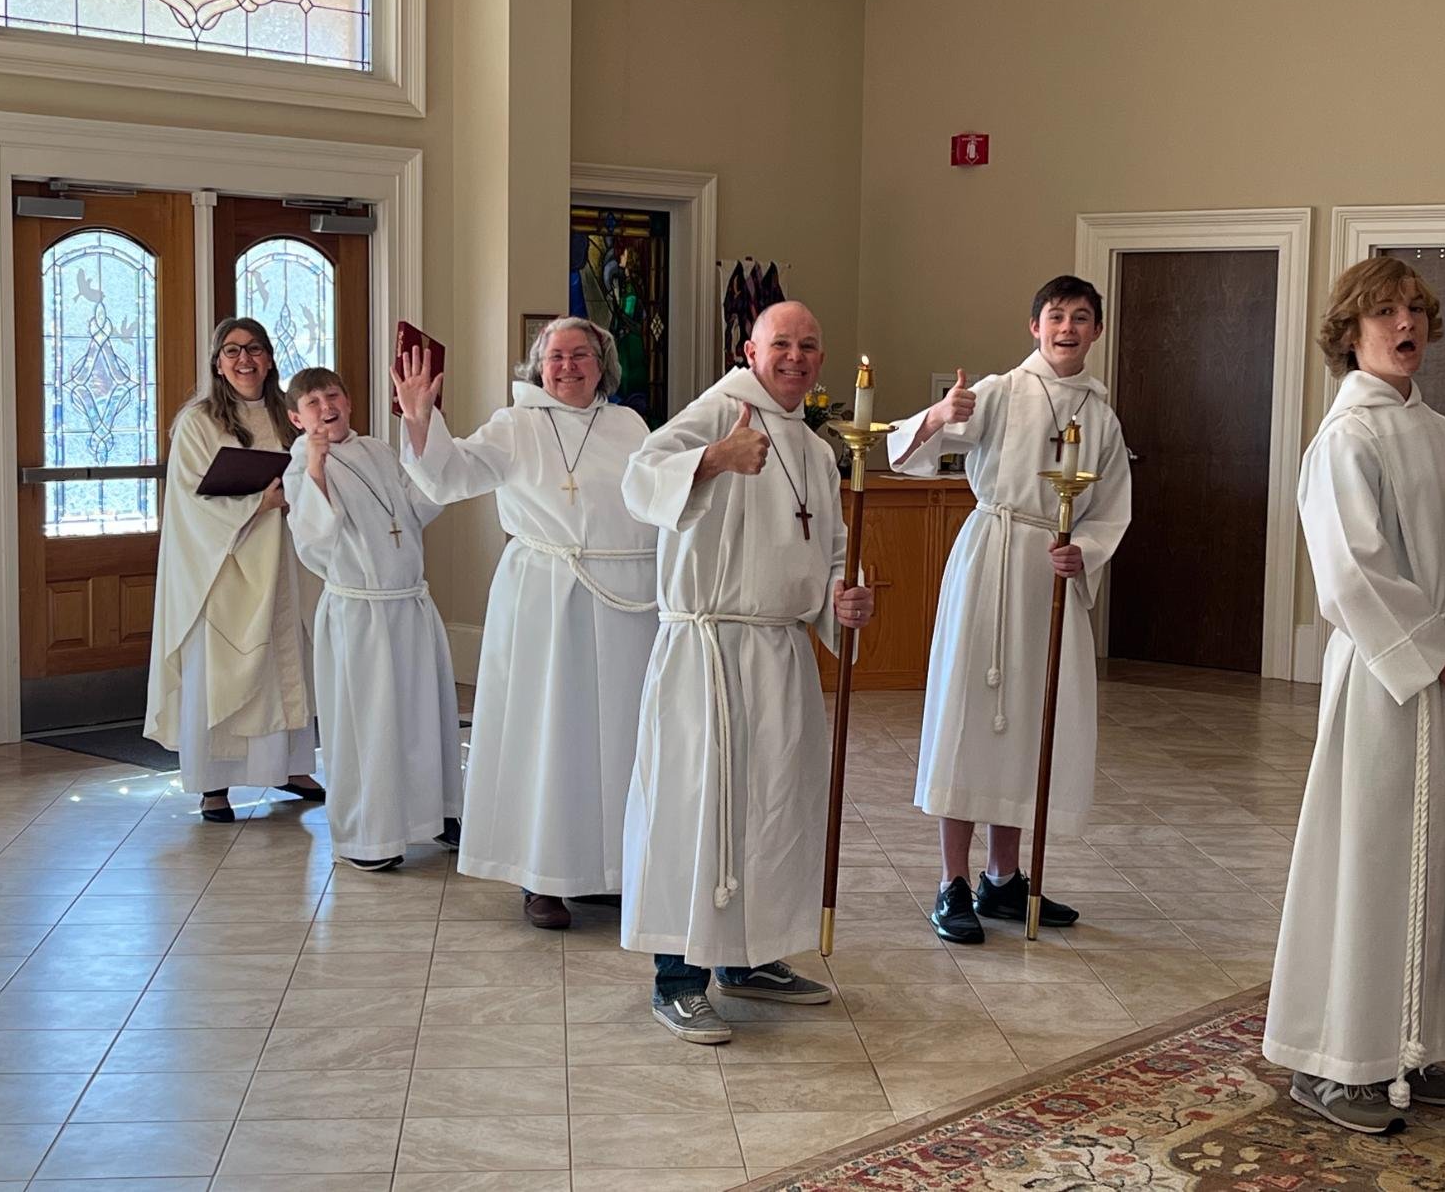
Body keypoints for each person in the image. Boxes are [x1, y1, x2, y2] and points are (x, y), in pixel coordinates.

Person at [1264, 256, 1445, 1135]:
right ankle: (1335, 1062)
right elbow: (1354, 575)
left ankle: (1413, 1044)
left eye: (1414, 309)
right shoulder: (1345, 438)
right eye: (1384, 312)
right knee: (1370, 861)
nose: (1404, 324)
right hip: (1386, 680)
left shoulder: (1437, 430)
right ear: (1349, 331)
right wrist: (1442, 660)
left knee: (1438, 856)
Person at [619, 300, 875, 1044]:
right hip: (706, 650)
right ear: (750, 349)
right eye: (781, 343)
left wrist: (842, 598)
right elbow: (640, 478)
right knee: (696, 807)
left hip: (779, 651)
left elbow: (828, 552)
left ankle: (750, 958)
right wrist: (711, 460)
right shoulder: (720, 408)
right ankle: (677, 977)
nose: (795, 356)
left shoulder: (820, 451)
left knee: (774, 806)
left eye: (809, 345)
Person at [889, 276, 1131, 943]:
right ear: (1034, 325)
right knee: (972, 712)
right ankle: (952, 881)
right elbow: (913, 444)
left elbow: (1111, 508)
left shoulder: (1101, 417)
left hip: (1049, 574)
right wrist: (941, 414)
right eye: (1056, 315)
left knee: (1028, 718)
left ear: (1096, 332)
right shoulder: (1001, 391)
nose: (1068, 328)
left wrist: (1082, 549)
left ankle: (1003, 877)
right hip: (991, 557)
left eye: (1082, 318)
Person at [395, 318, 658, 928]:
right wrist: (418, 418)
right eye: (555, 356)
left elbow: (654, 500)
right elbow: (452, 474)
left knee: (615, 731)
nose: (567, 366)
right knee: (549, 731)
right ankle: (539, 875)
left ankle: (605, 870)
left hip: (622, 600)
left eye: (581, 355)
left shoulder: (629, 425)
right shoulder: (515, 424)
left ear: (603, 364)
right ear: (537, 366)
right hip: (544, 595)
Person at [281, 367, 461, 871]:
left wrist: (419, 419)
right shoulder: (300, 467)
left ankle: (437, 814)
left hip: (408, 604)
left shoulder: (379, 451)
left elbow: (426, 501)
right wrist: (315, 462)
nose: (325, 406)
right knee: (369, 725)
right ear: (297, 418)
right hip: (358, 613)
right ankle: (369, 835)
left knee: (425, 716)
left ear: (350, 401)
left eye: (332, 394)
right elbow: (314, 537)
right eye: (312, 402)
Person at [144, 317, 322, 822]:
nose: (244, 360)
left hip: (283, 558)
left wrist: (299, 496)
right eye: (231, 351)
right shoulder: (199, 423)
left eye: (255, 350)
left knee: (284, 662)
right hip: (222, 569)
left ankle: (289, 766)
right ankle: (214, 784)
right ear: (217, 363)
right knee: (220, 671)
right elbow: (188, 503)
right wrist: (257, 506)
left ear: (269, 358)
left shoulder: (290, 416)